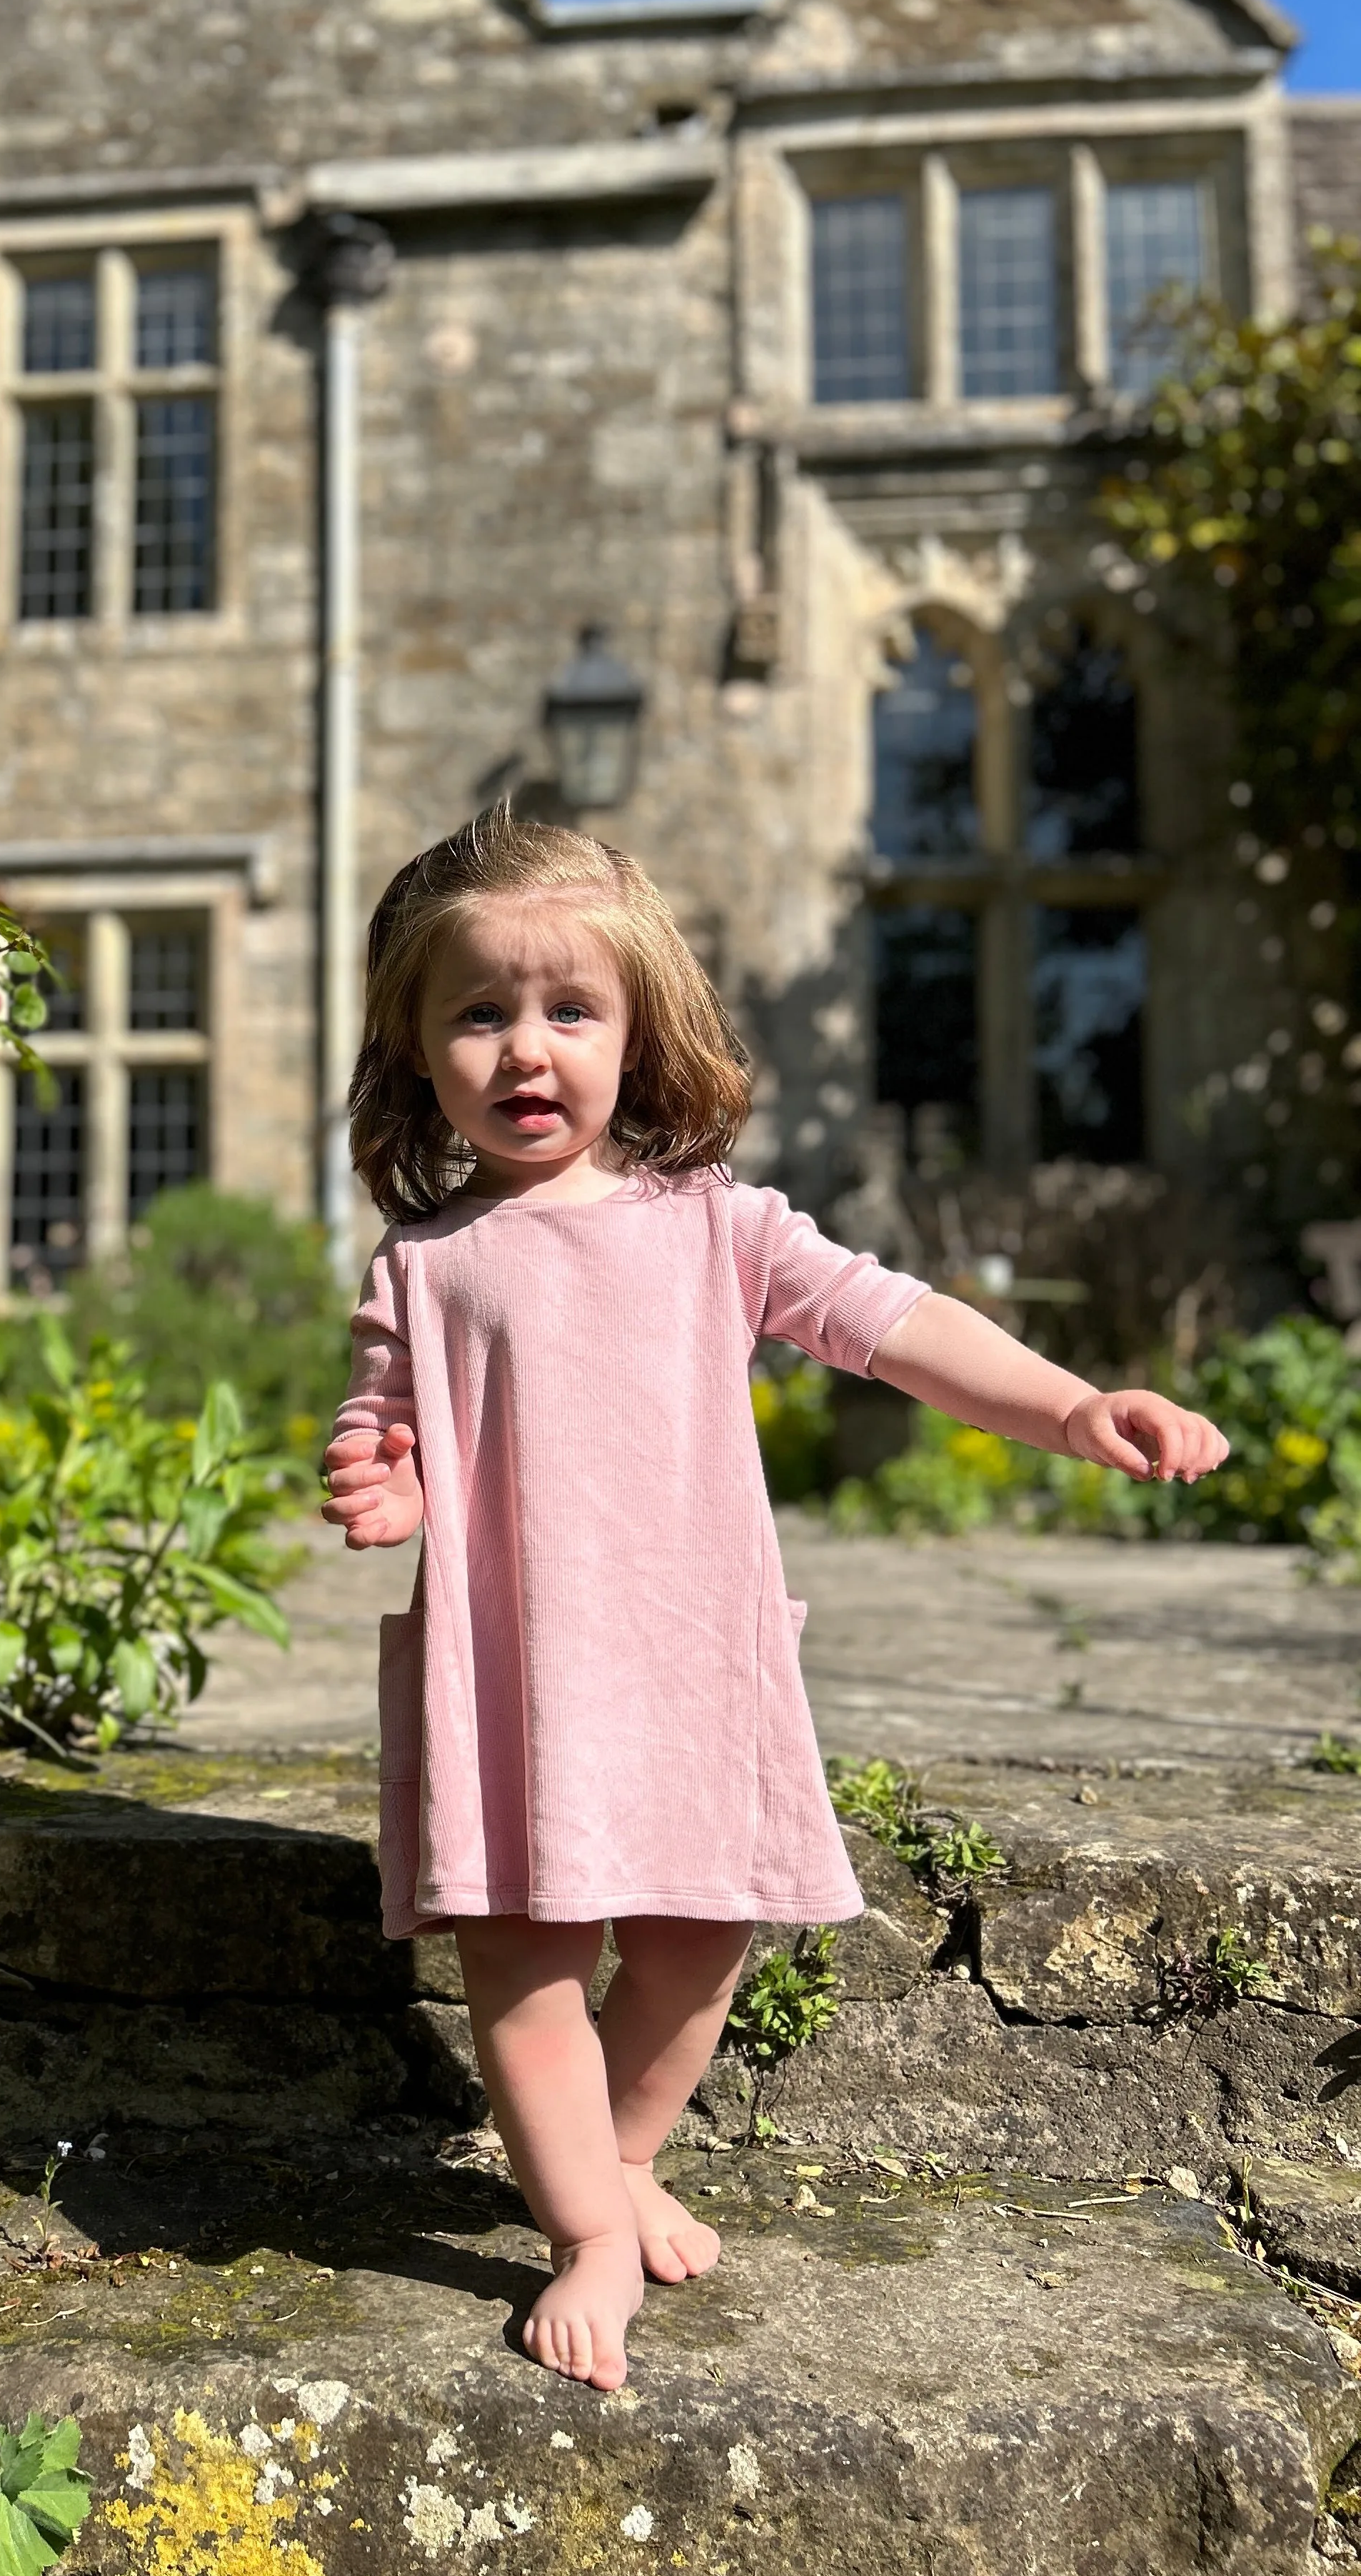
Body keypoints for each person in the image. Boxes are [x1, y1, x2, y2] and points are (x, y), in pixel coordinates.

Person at [321, 810, 1228, 2393]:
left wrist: (1071, 1405)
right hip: (506, 1673)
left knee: (699, 1941)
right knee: (521, 1968)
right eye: (478, 1013)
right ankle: (589, 2230)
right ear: (413, 1047)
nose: (525, 1048)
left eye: (569, 1010)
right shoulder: (428, 1262)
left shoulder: (718, 1228)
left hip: (683, 1657)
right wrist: (378, 1479)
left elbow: (896, 1325)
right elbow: (378, 1416)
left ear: (641, 1028)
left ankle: (614, 2158)